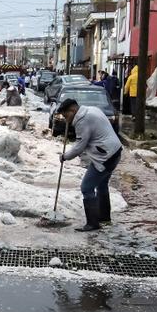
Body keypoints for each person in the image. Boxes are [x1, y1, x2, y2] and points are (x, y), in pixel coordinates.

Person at [57, 98, 123, 232]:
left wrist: (65, 156)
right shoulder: (91, 110)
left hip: (105, 156)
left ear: (73, 110)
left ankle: (92, 223)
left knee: (86, 187)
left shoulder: (82, 120)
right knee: (102, 184)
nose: (66, 119)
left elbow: (80, 146)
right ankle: (104, 217)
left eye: (66, 115)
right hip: (114, 151)